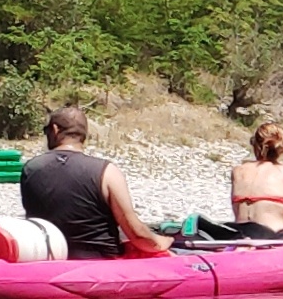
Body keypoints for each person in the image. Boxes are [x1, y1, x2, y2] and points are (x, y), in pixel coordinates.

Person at [18, 106, 169, 260]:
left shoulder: (31, 169)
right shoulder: (107, 171)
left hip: (50, 260)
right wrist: (165, 241)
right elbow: (137, 234)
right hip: (100, 264)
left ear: (55, 130)